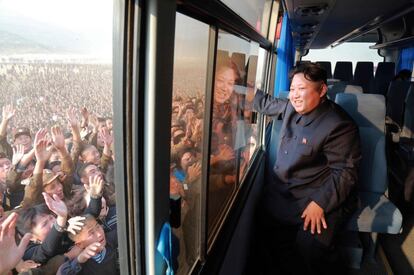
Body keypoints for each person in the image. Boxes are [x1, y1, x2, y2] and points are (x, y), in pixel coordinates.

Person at [250, 62, 361, 274]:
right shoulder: (292, 107)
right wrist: (237, 88)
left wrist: (319, 203)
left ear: (322, 90)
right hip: (288, 191)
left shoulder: (340, 125)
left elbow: (346, 173)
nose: (295, 95)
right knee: (263, 231)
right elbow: (265, 103)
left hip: (322, 196)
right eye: (292, 89)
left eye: (302, 89)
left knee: (309, 250)